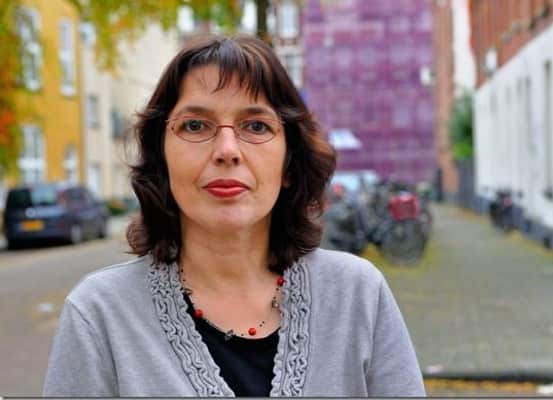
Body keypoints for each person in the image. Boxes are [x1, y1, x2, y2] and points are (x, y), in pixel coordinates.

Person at [43, 34, 425, 397]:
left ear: (289, 162)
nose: (227, 150)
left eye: (256, 126)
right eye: (195, 125)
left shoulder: (358, 297)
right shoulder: (100, 315)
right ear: (161, 158)